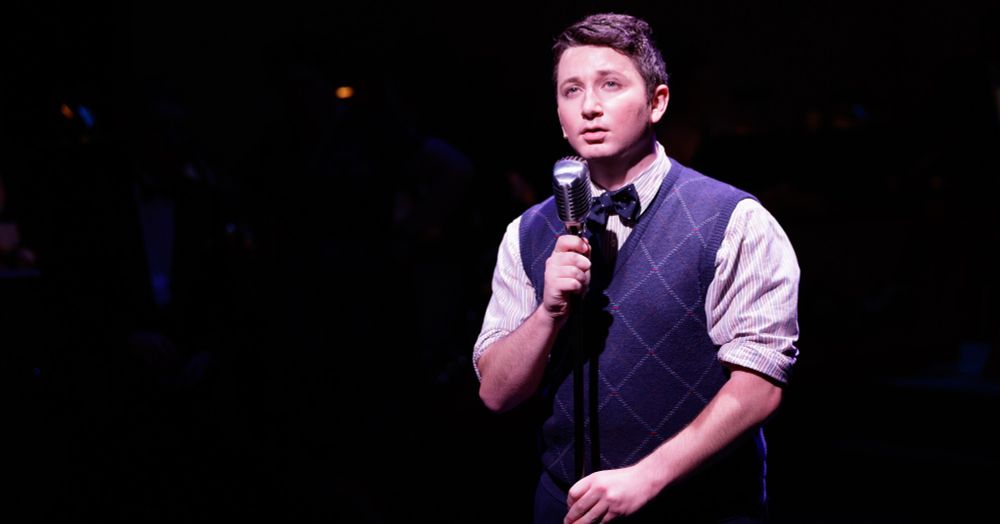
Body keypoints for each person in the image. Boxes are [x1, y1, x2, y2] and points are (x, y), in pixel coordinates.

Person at [473, 13, 800, 524]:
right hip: (566, 504)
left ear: (657, 102)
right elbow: (496, 393)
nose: (590, 106)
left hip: (697, 506)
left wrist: (645, 478)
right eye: (572, 90)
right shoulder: (527, 232)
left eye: (611, 84)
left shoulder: (733, 220)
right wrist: (548, 313)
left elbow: (760, 385)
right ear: (560, 116)